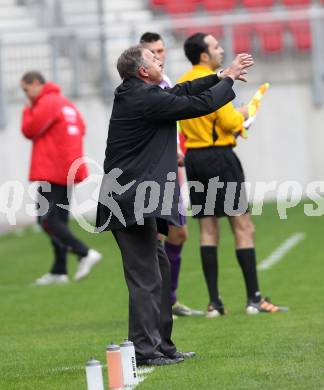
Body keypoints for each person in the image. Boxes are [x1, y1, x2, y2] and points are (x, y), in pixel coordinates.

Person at [96, 45, 254, 365]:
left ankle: (162, 345)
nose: (160, 61)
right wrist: (230, 80)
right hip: (130, 200)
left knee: (161, 270)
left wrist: (221, 75)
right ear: (143, 71)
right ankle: (144, 350)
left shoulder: (142, 92)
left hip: (138, 197)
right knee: (146, 276)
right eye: (154, 59)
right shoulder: (145, 98)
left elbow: (182, 90)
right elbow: (199, 105)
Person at [178, 32, 286, 317]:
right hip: (219, 158)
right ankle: (254, 299)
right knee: (243, 225)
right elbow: (227, 122)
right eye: (215, 46)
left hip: (195, 159)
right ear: (204, 55)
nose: (221, 49)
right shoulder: (214, 80)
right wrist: (244, 115)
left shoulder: (182, 82)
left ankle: (214, 303)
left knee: (207, 229)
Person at [139, 31, 203, 318]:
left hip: (172, 170)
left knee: (178, 234)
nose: (159, 56)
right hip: (155, 173)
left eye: (162, 51)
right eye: (153, 52)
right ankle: (160, 302)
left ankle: (169, 299)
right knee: (158, 238)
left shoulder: (165, 83)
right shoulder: (143, 87)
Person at [21, 71, 102, 285]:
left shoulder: (46, 102)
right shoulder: (65, 102)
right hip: (68, 167)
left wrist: (28, 109)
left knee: (46, 219)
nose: (27, 95)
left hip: (53, 168)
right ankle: (59, 270)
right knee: (58, 219)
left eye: (26, 89)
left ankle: (84, 252)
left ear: (36, 84)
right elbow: (81, 128)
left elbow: (29, 129)